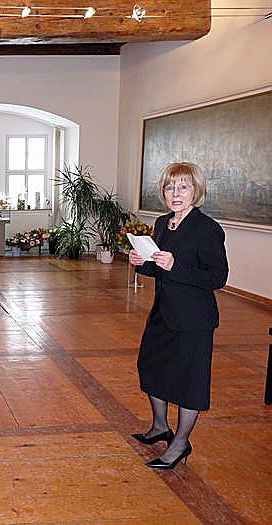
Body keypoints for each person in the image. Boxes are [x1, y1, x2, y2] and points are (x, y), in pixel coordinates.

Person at [129, 162, 228, 470]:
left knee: (189, 383)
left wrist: (176, 266)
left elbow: (218, 277)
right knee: (150, 366)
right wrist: (141, 262)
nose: (176, 193)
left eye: (183, 187)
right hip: (163, 313)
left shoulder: (207, 229)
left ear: (196, 191)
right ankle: (160, 426)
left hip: (193, 321)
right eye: (170, 187)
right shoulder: (163, 223)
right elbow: (158, 267)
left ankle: (180, 443)